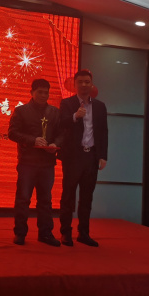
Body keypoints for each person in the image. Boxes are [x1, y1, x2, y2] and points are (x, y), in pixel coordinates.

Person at [8, 79, 63, 246]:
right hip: (27, 162)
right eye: (40, 92)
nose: (43, 95)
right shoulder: (21, 111)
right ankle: (20, 233)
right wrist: (33, 140)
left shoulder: (55, 112)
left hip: (47, 163)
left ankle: (45, 234)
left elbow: (62, 133)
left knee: (45, 200)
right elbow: (12, 133)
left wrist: (55, 145)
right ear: (31, 92)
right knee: (23, 199)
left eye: (46, 92)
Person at [58, 69, 108, 247]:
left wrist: (103, 155)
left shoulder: (100, 106)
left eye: (87, 81)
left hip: (91, 156)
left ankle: (84, 233)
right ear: (75, 84)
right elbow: (60, 123)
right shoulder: (67, 103)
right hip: (73, 156)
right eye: (80, 82)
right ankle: (65, 233)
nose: (84, 85)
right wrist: (74, 116)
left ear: (92, 84)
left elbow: (103, 132)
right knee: (68, 196)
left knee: (87, 197)